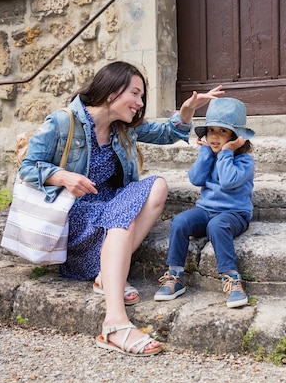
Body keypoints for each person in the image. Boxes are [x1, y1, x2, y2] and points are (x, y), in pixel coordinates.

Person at [18, 61, 223, 356]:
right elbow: (28, 167)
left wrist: (189, 109)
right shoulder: (63, 122)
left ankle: (105, 274)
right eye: (136, 94)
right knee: (123, 216)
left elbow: (167, 132)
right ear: (112, 92)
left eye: (142, 97)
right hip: (78, 216)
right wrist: (63, 176)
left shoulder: (124, 128)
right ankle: (114, 323)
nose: (140, 105)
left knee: (157, 186)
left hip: (110, 208)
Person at [154, 97, 255, 308]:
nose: (215, 137)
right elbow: (196, 179)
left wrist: (226, 152)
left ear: (236, 137)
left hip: (234, 214)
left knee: (217, 226)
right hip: (206, 210)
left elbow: (228, 181)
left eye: (222, 131)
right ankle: (176, 276)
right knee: (180, 221)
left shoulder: (244, 161)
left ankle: (231, 278)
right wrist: (205, 153)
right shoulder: (209, 155)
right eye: (211, 131)